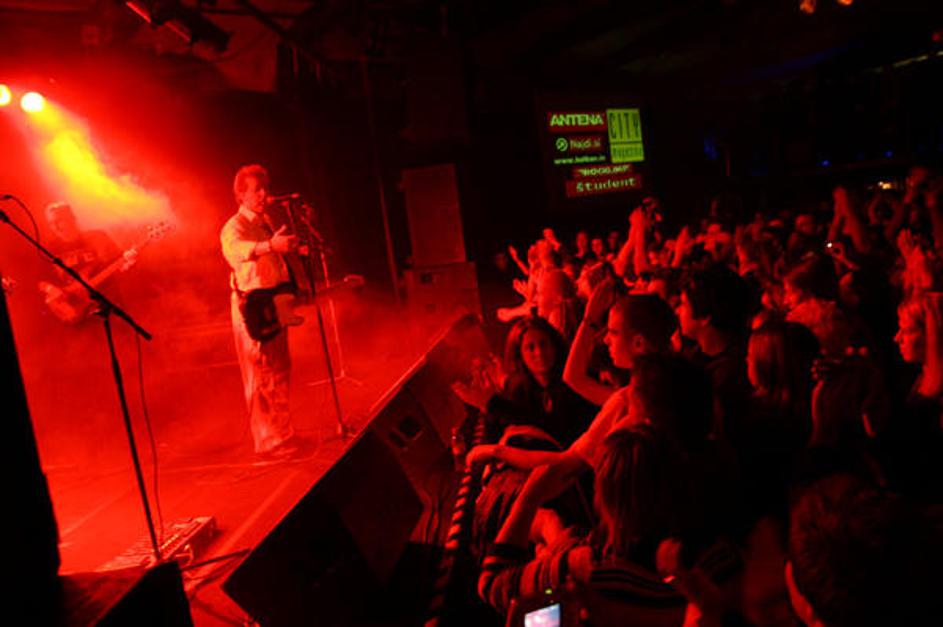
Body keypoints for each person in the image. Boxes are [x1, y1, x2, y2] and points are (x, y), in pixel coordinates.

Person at [220, 164, 303, 459]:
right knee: (261, 372)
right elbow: (236, 251)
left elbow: (272, 261)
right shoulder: (234, 226)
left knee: (280, 369)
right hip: (252, 305)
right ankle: (268, 442)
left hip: (274, 299)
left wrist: (289, 252)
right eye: (256, 190)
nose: (263, 195)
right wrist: (270, 245)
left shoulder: (265, 221)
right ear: (240, 194)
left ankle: (284, 433)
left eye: (265, 188)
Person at [39, 202, 137, 322]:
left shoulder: (97, 237)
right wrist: (50, 288)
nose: (56, 227)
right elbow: (41, 279)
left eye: (59, 221)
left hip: (108, 303)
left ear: (72, 218)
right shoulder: (51, 248)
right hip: (78, 312)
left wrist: (128, 261)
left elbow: (119, 262)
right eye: (51, 223)